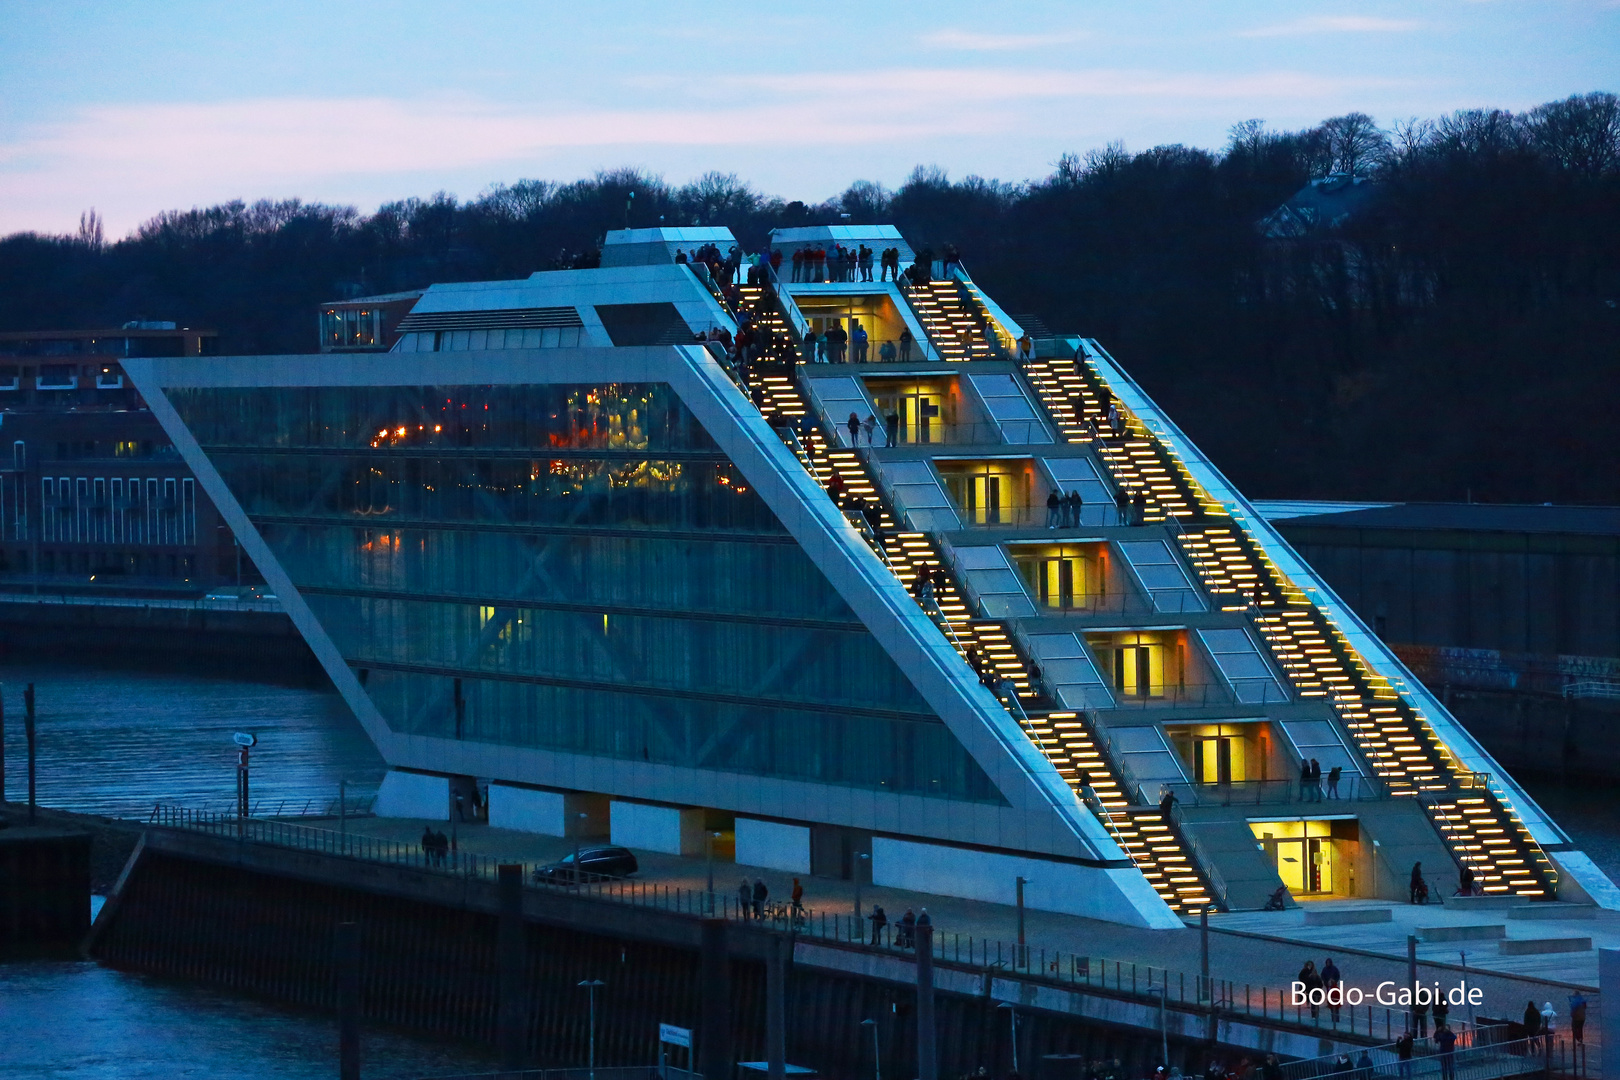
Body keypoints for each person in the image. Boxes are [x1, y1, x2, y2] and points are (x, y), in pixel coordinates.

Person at [1321, 957, 1342, 1023]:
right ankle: (1330, 1003)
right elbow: (1322, 976)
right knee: (1329, 993)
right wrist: (1325, 981)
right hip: (1327, 984)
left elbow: (1337, 976)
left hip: (1332, 984)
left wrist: (1334, 981)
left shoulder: (1334, 969)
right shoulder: (1325, 969)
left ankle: (1336, 1019)